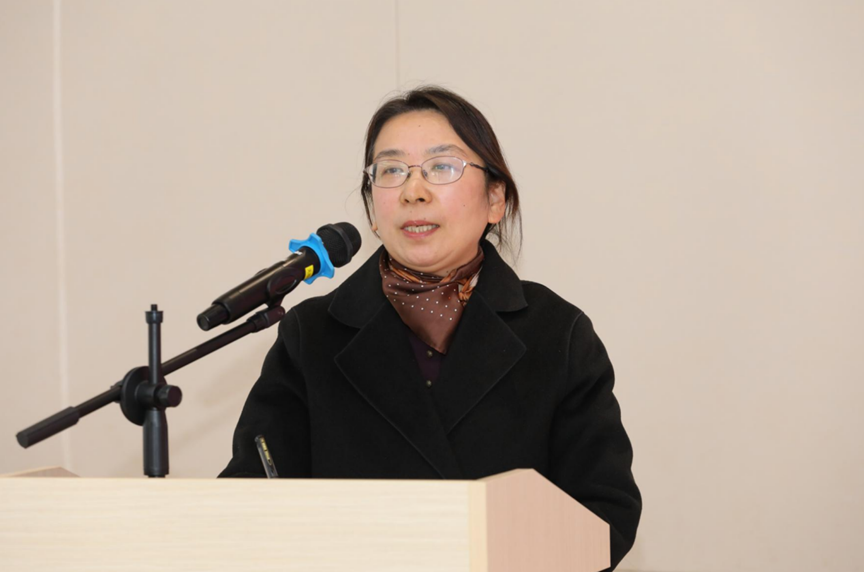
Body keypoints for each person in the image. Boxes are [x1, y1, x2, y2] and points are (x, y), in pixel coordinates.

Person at [220, 86, 641, 569]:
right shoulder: (312, 334)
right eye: (391, 170)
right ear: (372, 211)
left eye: (442, 167)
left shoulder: (556, 333)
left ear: (496, 199)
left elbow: (604, 513)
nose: (413, 191)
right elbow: (247, 501)